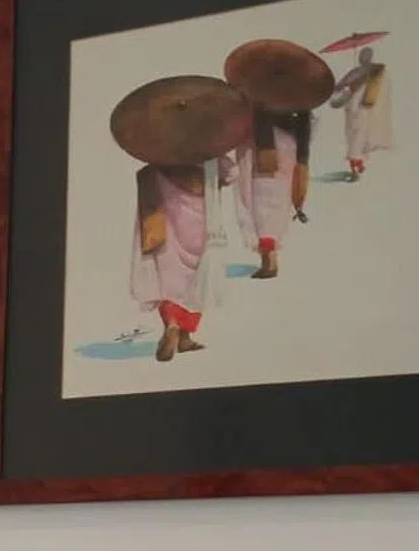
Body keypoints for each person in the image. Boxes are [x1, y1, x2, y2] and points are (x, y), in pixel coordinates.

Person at [109, 76, 250, 362]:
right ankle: (185, 335)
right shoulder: (210, 155)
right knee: (198, 280)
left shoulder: (160, 157)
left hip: (166, 228)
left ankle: (174, 326)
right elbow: (232, 175)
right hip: (203, 226)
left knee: (167, 279)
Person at [224, 40, 337, 280]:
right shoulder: (298, 99)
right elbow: (305, 127)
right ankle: (269, 255)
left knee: (262, 200)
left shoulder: (262, 94)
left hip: (265, 149)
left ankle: (269, 258)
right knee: (272, 201)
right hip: (285, 150)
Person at [329, 44, 393, 180]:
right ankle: (359, 164)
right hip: (366, 109)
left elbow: (340, 86)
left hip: (355, 110)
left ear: (366, 57)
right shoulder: (375, 72)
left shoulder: (358, 72)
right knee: (360, 138)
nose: (360, 58)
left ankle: (355, 170)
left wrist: (346, 84)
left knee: (354, 139)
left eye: (362, 55)